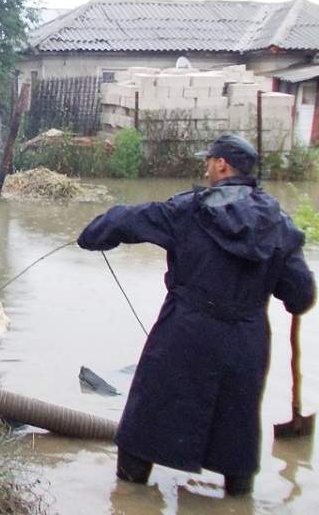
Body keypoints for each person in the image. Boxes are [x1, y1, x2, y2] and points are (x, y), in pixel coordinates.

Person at [77, 133, 315, 496]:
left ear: (221, 165)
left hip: (185, 333)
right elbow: (300, 295)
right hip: (246, 342)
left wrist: (92, 234)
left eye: (209, 161)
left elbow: (128, 219)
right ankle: (237, 499)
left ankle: (128, 497)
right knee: (237, 429)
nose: (206, 167)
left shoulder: (190, 210)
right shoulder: (279, 225)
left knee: (145, 424)